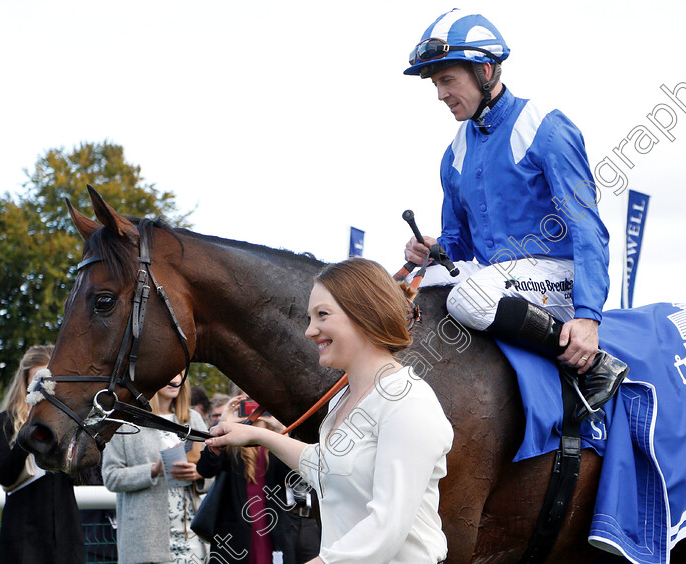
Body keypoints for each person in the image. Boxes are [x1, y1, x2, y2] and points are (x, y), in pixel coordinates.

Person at [402, 9, 628, 421]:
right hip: (502, 279)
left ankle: (592, 363)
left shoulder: (545, 126)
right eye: (435, 84)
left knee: (469, 297)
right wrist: (433, 250)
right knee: (422, 288)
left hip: (557, 275)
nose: (440, 94)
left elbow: (587, 228)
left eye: (447, 80)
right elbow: (460, 242)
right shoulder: (454, 153)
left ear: (485, 70)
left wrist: (588, 317)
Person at [206, 257, 454, 563]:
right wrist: (257, 435)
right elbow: (326, 465)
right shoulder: (343, 400)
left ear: (365, 313)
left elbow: (388, 526)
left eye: (322, 315)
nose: (310, 331)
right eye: (310, 318)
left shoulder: (409, 403)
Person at [0, 345, 86, 564]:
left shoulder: (69, 421)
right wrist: (28, 435)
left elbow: (83, 477)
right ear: (24, 381)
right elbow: (4, 475)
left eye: (49, 380)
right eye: (37, 380)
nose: (43, 388)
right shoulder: (6, 421)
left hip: (64, 534)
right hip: (23, 535)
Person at [102, 373, 211, 564]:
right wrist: (153, 469)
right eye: (170, 371)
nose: (175, 379)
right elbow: (111, 477)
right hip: (147, 542)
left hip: (193, 537)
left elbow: (214, 471)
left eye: (180, 373)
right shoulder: (124, 422)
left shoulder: (193, 419)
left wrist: (199, 474)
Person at [196, 395, 289, 564]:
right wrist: (223, 423)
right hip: (234, 535)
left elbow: (294, 477)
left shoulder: (277, 439)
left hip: (272, 529)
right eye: (247, 401)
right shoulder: (231, 439)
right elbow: (205, 469)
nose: (253, 407)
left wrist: (282, 429)